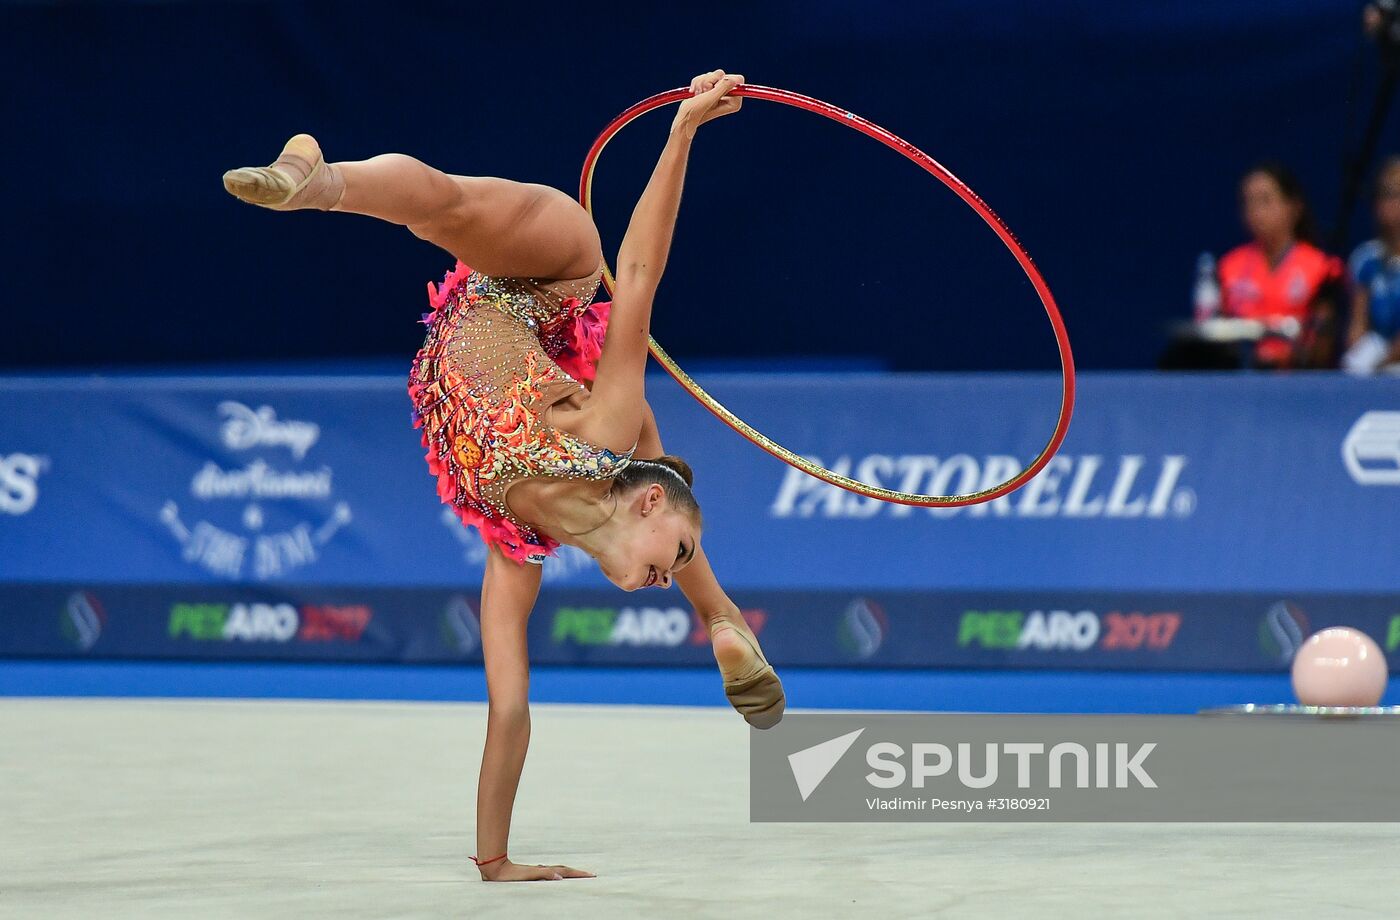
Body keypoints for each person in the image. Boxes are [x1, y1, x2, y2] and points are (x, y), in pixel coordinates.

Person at [223, 70, 783, 881]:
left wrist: (496, 860)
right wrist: (682, 132)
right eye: (679, 554)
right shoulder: (606, 431)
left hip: (479, 338)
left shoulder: (515, 543)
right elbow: (639, 269)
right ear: (650, 501)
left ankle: (727, 627)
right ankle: (319, 179)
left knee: (658, 492)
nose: (663, 579)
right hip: (550, 276)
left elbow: (510, 709)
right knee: (443, 208)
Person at [1216, 162, 1344, 368]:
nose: (1256, 212)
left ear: (1294, 207)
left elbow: (1323, 345)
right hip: (1240, 374)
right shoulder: (1229, 266)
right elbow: (1218, 334)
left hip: (1297, 379)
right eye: (1249, 202)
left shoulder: (1322, 268)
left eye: (1265, 201)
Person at [1343, 156, 1400, 374]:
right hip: (1377, 359)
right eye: (1387, 194)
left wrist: (1383, 364)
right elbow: (1357, 326)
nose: (1394, 202)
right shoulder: (1366, 258)